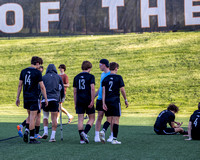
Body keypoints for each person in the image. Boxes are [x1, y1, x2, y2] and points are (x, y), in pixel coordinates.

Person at [16, 57, 48, 144]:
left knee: (30, 116)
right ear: (37, 63)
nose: (40, 66)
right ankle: (32, 138)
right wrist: (45, 98)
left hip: (26, 97)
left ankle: (26, 131)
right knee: (33, 117)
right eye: (40, 64)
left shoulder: (23, 71)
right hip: (34, 97)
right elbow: (42, 87)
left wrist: (17, 98)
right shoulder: (37, 72)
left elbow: (20, 85)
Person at [99, 62, 128, 144]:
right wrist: (125, 99)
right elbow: (122, 90)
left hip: (107, 101)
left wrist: (103, 102)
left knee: (108, 119)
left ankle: (103, 130)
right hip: (115, 100)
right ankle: (114, 139)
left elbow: (103, 91)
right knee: (116, 120)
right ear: (116, 68)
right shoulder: (118, 77)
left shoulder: (105, 78)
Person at [73, 61, 95, 144]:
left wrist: (75, 103)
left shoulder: (76, 77)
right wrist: (92, 100)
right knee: (92, 118)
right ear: (89, 68)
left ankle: (81, 139)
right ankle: (84, 133)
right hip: (88, 99)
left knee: (80, 119)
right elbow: (92, 88)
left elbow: (74, 92)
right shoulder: (91, 77)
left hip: (79, 100)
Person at [41, 64, 65, 142]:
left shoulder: (43, 77)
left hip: (45, 99)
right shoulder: (58, 77)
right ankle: (52, 137)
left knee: (45, 116)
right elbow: (62, 88)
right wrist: (62, 98)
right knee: (54, 118)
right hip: (55, 99)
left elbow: (40, 88)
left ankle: (45, 132)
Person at [94, 59, 113, 143]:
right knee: (99, 116)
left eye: (100, 64)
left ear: (104, 65)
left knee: (110, 118)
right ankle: (97, 135)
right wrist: (94, 96)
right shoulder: (102, 74)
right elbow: (101, 87)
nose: (99, 66)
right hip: (100, 99)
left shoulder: (110, 74)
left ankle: (112, 135)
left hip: (108, 99)